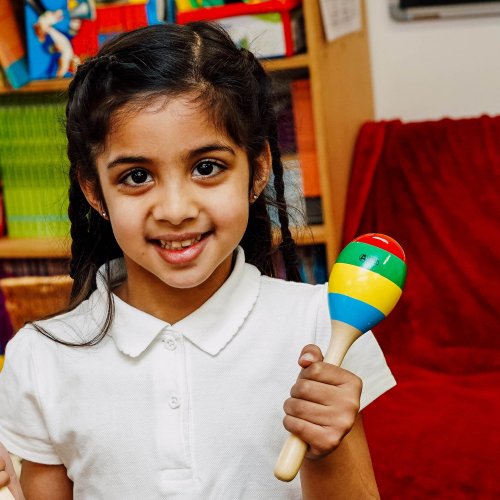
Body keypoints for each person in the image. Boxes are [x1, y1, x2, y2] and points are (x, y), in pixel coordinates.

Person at [0, 22, 395, 499]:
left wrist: (328, 449)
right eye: (137, 175)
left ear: (259, 170)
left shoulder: (322, 323)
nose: (175, 209)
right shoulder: (43, 356)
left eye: (207, 168)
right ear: (93, 190)